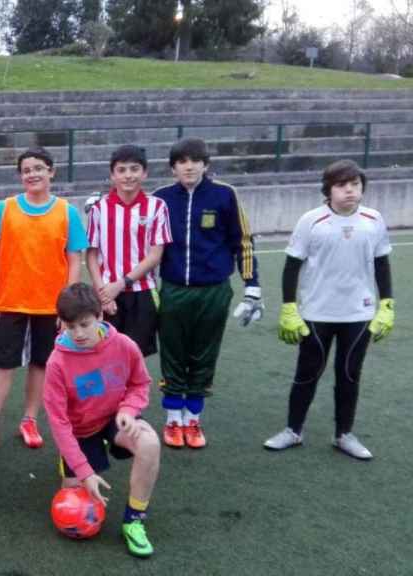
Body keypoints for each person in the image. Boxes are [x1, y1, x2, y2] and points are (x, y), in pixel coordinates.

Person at [264, 160, 394, 460]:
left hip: (358, 314)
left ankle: (344, 435)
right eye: (342, 185)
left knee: (349, 374)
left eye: (355, 184)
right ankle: (293, 431)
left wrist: (387, 303)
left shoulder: (374, 219)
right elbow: (292, 265)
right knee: (307, 374)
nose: (350, 190)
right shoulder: (311, 220)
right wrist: (289, 307)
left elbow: (382, 263)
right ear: (329, 189)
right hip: (316, 312)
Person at [152, 138, 262, 449]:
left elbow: (242, 241)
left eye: (196, 160)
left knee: (204, 354)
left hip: (214, 291)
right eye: (182, 161)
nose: (189, 166)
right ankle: (173, 418)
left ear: (206, 164)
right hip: (173, 290)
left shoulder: (225, 195)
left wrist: (252, 284)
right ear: (173, 167)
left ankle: (193, 419)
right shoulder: (160, 199)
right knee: (173, 353)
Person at [0, 147, 88, 451]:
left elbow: (74, 260)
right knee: (3, 364)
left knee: (41, 364)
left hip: (50, 306)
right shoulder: (6, 208)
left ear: (51, 171)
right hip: (11, 302)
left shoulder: (66, 211)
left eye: (39, 168)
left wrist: (69, 307)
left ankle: (30, 419)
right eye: (27, 170)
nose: (33, 174)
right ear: (20, 175)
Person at [43, 283, 161, 558]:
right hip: (79, 430)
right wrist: (84, 472)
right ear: (61, 323)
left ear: (100, 316)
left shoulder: (124, 345)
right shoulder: (56, 364)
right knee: (73, 500)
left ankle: (134, 520)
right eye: (70, 327)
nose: (79, 334)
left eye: (85, 324)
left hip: (115, 418)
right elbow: (60, 425)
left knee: (150, 443)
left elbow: (140, 383)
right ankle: (75, 469)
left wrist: (129, 410)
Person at [86, 144, 171, 358]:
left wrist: (122, 283)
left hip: (142, 292)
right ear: (112, 175)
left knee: (135, 356)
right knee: (104, 354)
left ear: (145, 173)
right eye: (121, 170)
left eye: (134, 169)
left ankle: (134, 393)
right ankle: (109, 394)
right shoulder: (99, 208)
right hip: (106, 293)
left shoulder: (157, 207)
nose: (128, 175)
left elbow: (155, 255)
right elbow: (91, 255)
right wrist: (103, 294)